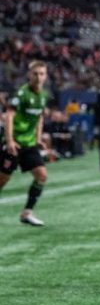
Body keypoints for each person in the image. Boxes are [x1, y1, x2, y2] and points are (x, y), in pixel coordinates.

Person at [0, 60, 49, 226]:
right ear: (29, 75)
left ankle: (26, 213)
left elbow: (40, 117)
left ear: (45, 76)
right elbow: (9, 117)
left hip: (29, 145)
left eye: (41, 74)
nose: (38, 77)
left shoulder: (43, 96)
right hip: (14, 144)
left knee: (41, 175)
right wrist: (10, 141)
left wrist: (38, 139)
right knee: (2, 180)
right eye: (35, 74)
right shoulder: (21, 93)